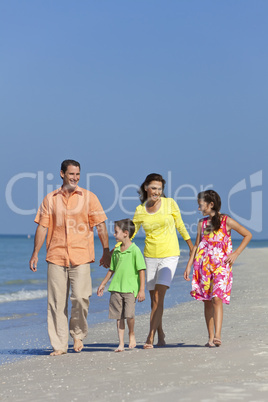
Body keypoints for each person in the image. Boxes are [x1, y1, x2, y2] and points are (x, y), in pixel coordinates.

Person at [29, 159, 111, 356]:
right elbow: (42, 226)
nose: (75, 178)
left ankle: (78, 333)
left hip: (81, 255)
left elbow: (100, 225)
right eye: (71, 174)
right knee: (56, 302)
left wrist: (106, 251)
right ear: (62, 174)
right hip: (56, 255)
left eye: (78, 174)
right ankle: (59, 345)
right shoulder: (50, 199)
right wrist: (35, 253)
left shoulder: (89, 197)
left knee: (81, 298)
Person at [132, 173, 193, 349]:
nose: (157, 192)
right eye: (154, 188)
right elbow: (133, 231)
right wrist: (119, 246)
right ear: (146, 188)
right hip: (150, 256)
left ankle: (150, 336)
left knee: (159, 296)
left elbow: (180, 224)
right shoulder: (140, 210)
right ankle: (161, 334)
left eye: (160, 189)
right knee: (154, 301)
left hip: (170, 255)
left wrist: (190, 245)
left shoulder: (170, 203)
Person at [184, 190, 252, 347]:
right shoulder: (203, 223)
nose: (199, 208)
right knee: (207, 301)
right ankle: (210, 337)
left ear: (211, 204)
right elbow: (197, 245)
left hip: (221, 267)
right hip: (203, 267)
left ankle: (218, 335)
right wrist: (189, 266)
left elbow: (247, 235)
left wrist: (235, 254)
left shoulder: (226, 221)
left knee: (216, 299)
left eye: (201, 205)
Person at [97, 219, 146, 352]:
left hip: (130, 289)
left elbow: (141, 270)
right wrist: (103, 283)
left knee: (129, 315)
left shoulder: (135, 250)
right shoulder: (117, 250)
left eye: (116, 232)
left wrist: (141, 290)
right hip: (116, 288)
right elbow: (111, 270)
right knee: (118, 317)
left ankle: (131, 333)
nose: (114, 234)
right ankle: (121, 344)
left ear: (125, 233)